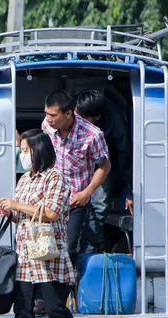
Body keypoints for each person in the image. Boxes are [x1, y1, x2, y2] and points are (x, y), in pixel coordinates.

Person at [0, 129, 90, 318]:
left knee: (55, 307)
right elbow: (23, 215)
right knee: (22, 307)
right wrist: (7, 212)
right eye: (21, 150)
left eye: (26, 151)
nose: (22, 155)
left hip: (49, 255)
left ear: (40, 151)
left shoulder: (56, 178)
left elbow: (52, 213)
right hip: (25, 254)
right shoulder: (24, 179)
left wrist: (16, 205)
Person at [41, 90, 111, 266]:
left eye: (53, 115)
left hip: (75, 200)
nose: (48, 119)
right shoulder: (47, 126)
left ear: (69, 113)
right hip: (49, 198)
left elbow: (105, 166)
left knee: (69, 247)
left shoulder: (92, 135)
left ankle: (70, 288)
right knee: (45, 245)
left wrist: (88, 192)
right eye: (46, 114)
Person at [75, 90, 133, 254]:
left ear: (97, 117)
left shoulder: (115, 125)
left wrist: (130, 190)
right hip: (76, 159)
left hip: (104, 162)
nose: (77, 120)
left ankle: (90, 248)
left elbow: (125, 155)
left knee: (99, 203)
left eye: (82, 118)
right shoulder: (73, 109)